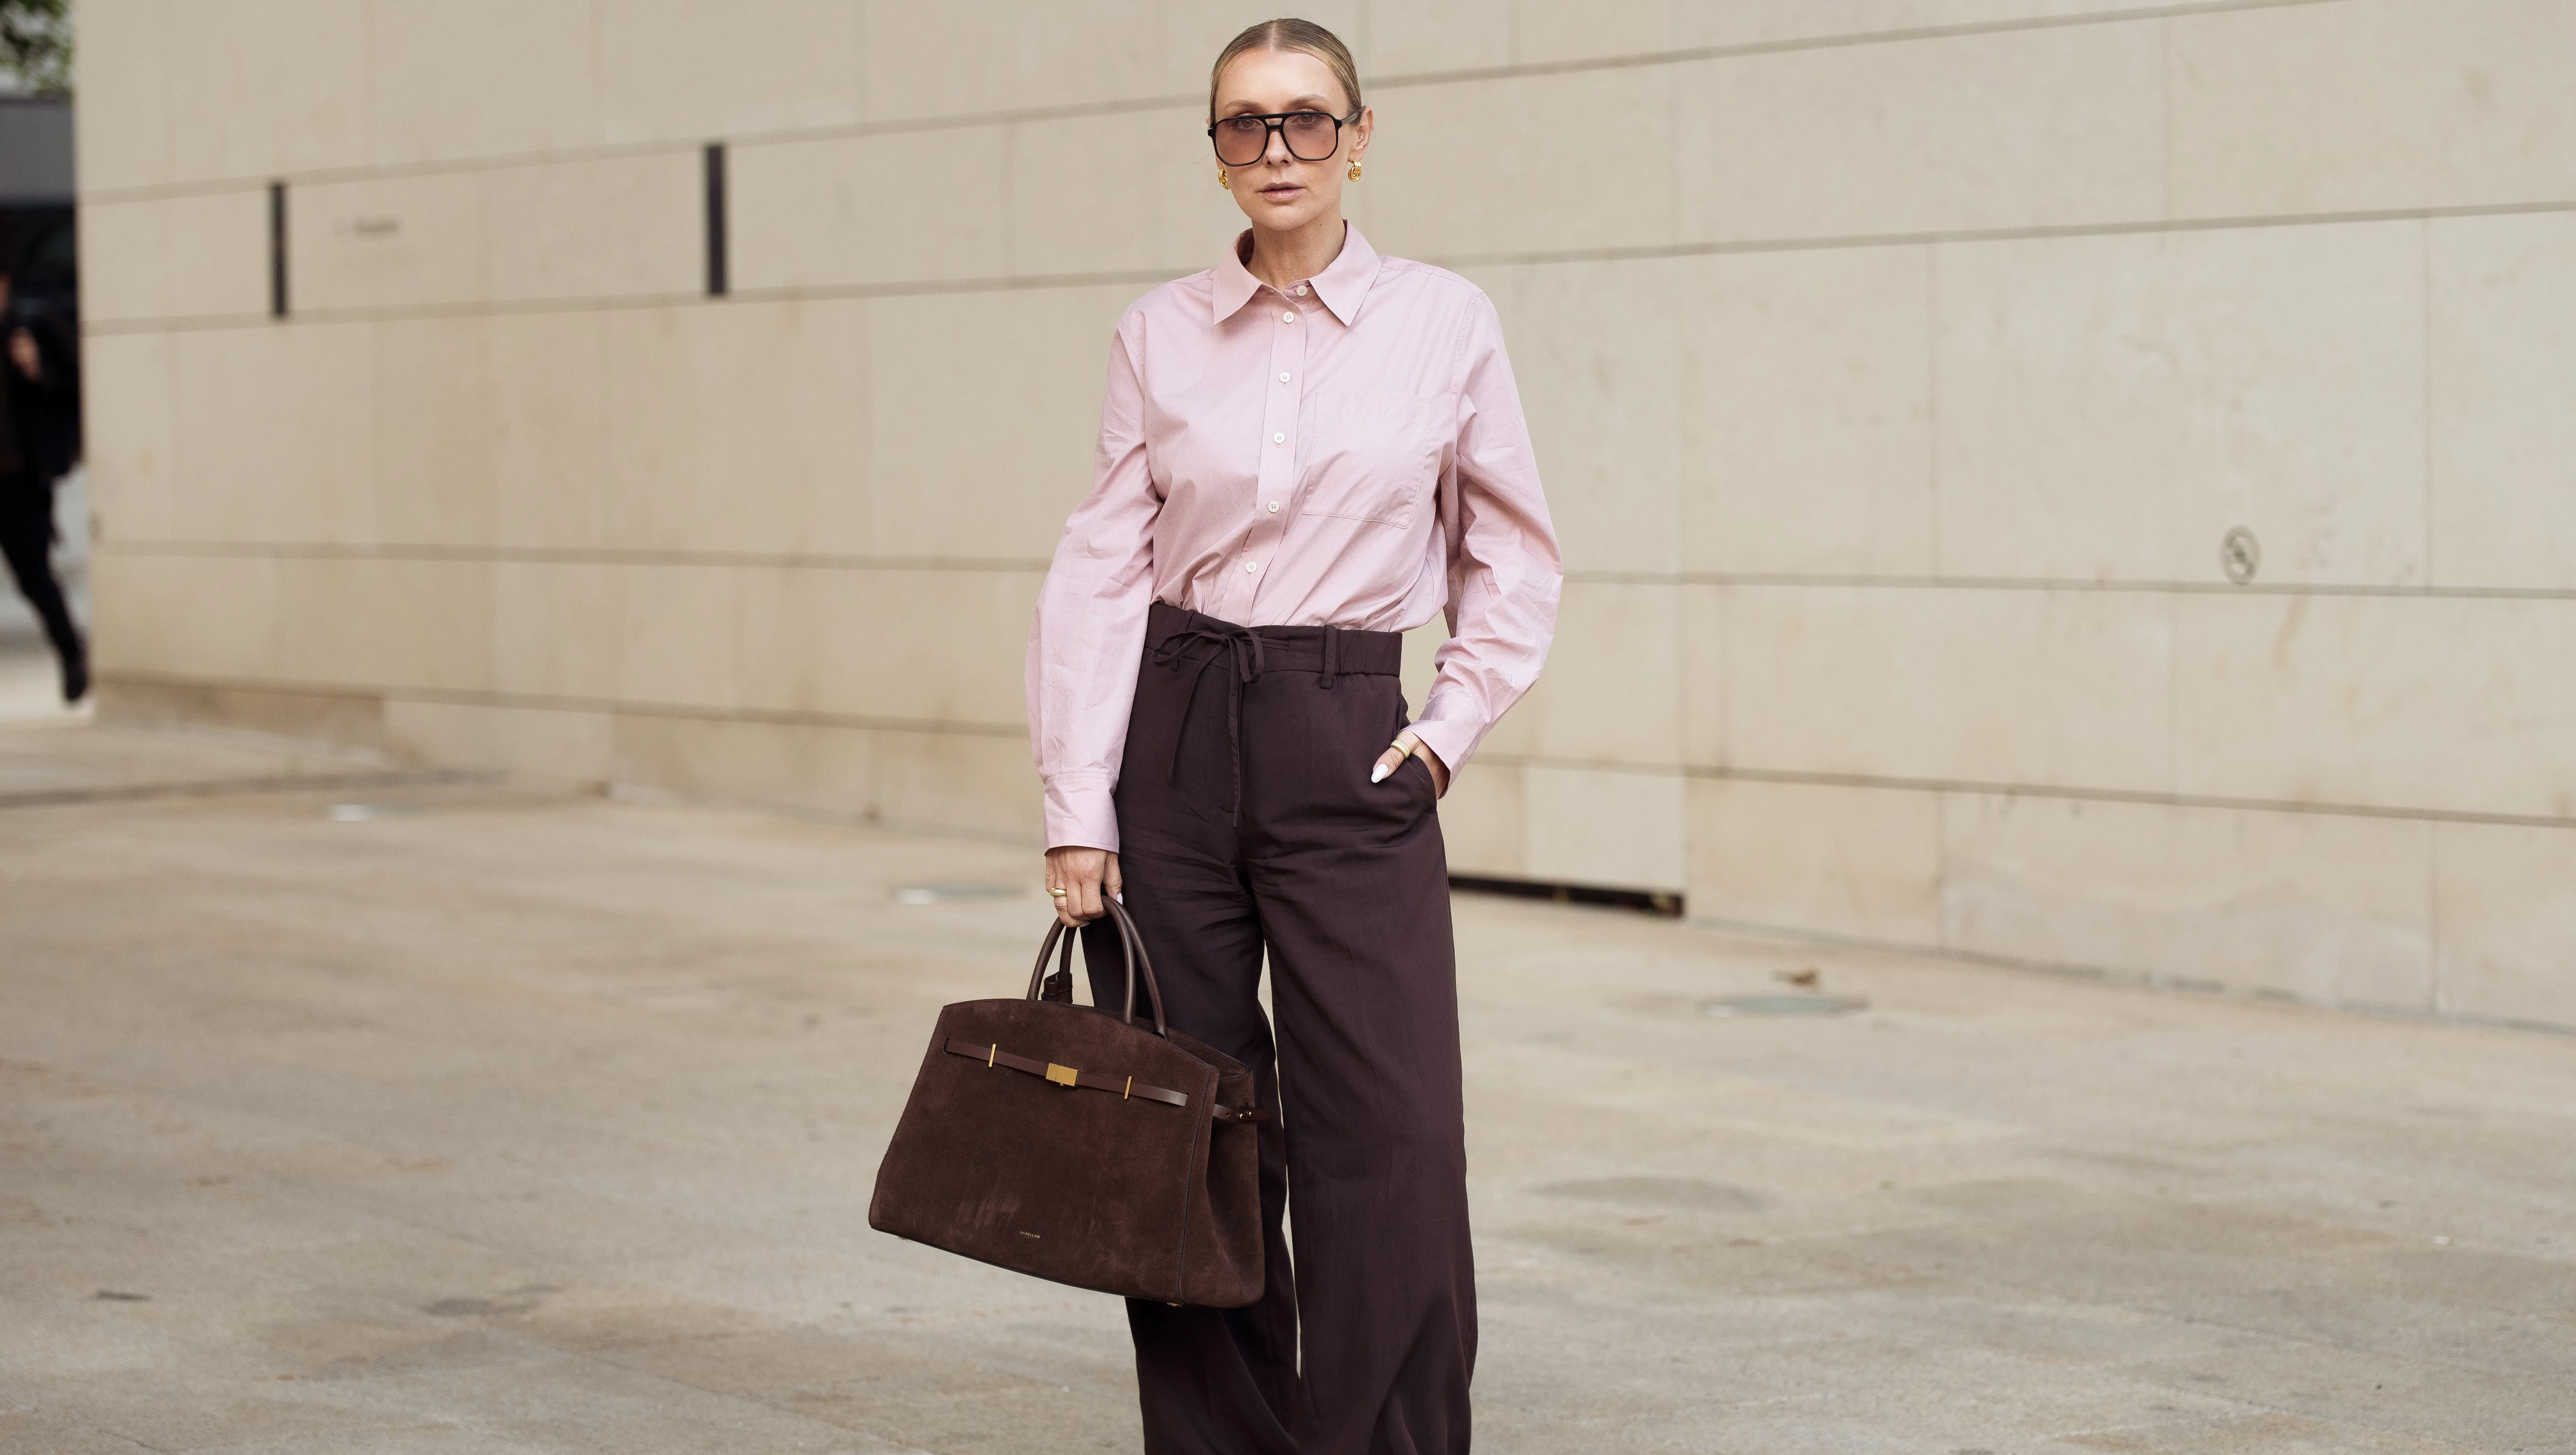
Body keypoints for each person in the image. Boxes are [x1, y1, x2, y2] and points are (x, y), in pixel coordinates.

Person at [1026, 18, 1561, 1453]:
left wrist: (1444, 728)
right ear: (1213, 151)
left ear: (1359, 136)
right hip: (1176, 738)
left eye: (1306, 120)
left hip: (1346, 735)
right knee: (1187, 1129)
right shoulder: (1156, 335)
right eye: (1244, 124)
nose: (1277, 149)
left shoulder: (1443, 323)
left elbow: (1510, 556)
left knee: (1391, 1136)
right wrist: (1079, 805)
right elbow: (1099, 569)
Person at [0, 265, 85, 703]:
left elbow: (76, 391)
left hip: (20, 482)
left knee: (34, 578)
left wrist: (37, 368)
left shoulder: (35, 329)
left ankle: (72, 654)